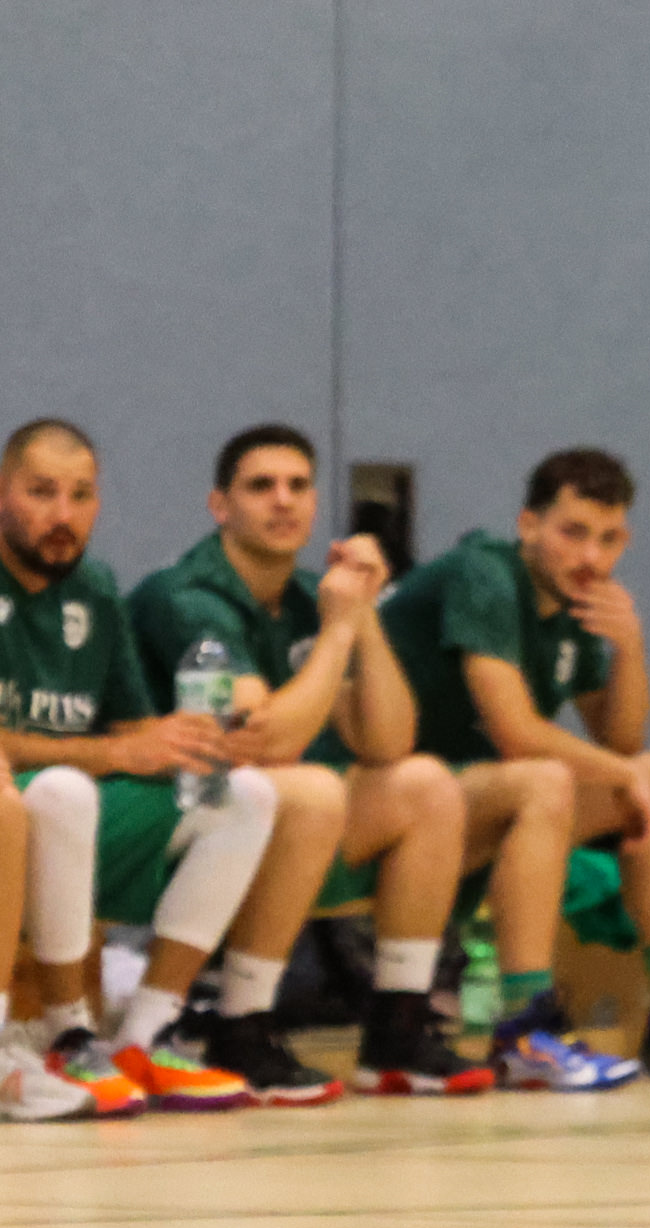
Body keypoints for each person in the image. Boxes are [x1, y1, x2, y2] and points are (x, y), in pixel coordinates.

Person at [381, 450, 650, 1088]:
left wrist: (630, 647)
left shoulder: (573, 602)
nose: (591, 557)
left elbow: (621, 738)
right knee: (547, 780)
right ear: (528, 525)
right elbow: (515, 732)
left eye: (609, 539)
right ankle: (523, 1027)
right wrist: (619, 774)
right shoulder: (484, 573)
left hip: (468, 802)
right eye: (573, 533)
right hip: (383, 803)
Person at [130, 424, 496, 1096]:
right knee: (305, 788)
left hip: (275, 821)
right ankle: (241, 1023)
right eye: (261, 485)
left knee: (426, 785)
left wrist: (364, 617)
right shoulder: (184, 595)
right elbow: (262, 740)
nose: (284, 499)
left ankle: (397, 1024)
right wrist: (335, 632)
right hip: (173, 819)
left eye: (298, 485)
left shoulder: (309, 596)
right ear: (220, 505)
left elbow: (387, 741)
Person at [0, 419, 273, 1113]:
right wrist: (112, 753)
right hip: (28, 806)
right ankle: (68, 1032)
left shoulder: (94, 590)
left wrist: (197, 740)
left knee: (242, 793)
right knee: (64, 790)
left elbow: (130, 727)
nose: (63, 515)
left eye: (81, 495)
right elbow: (106, 749)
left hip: (69, 818)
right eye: (41, 492)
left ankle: (148, 1033)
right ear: (3, 493)